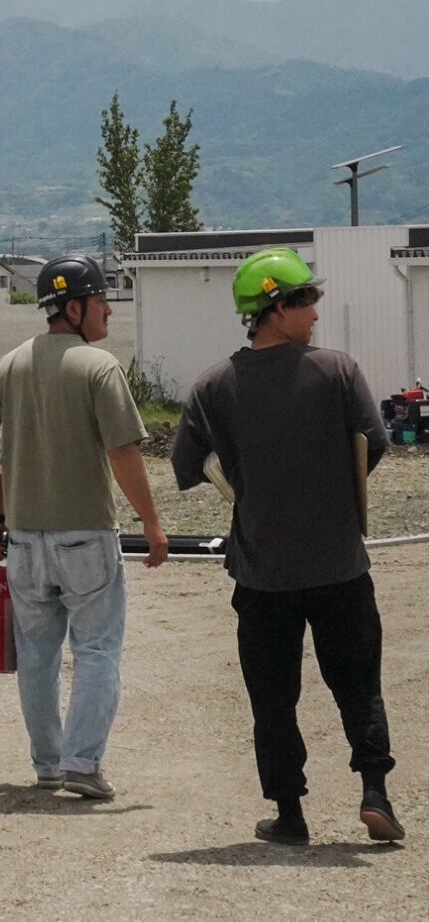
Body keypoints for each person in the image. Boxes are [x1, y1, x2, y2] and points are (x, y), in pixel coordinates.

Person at [171, 247, 401, 844]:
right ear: (276, 308)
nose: (316, 313)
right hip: (340, 565)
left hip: (262, 573)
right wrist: (336, 496)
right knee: (358, 684)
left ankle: (290, 815)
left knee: (273, 699)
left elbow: (187, 464)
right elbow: (373, 443)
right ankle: (375, 793)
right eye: (307, 301)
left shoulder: (213, 385)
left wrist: (245, 491)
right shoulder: (337, 372)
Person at [0, 255, 168, 797]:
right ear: (73, 308)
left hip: (24, 541)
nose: (109, 309)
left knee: (36, 658)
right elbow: (123, 452)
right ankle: (83, 763)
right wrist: (152, 524)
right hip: (86, 536)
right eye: (101, 299)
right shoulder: (98, 367)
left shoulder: (10, 366)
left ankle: (48, 764)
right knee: (97, 650)